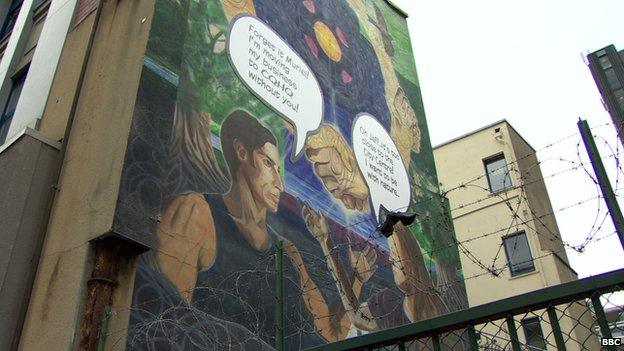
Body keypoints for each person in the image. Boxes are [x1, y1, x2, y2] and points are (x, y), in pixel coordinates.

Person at [155, 109, 377, 347]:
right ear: (242, 152)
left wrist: (356, 277)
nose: (279, 184)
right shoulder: (196, 214)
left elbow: (332, 332)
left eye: (279, 171)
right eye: (268, 163)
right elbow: (167, 323)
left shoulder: (286, 251)